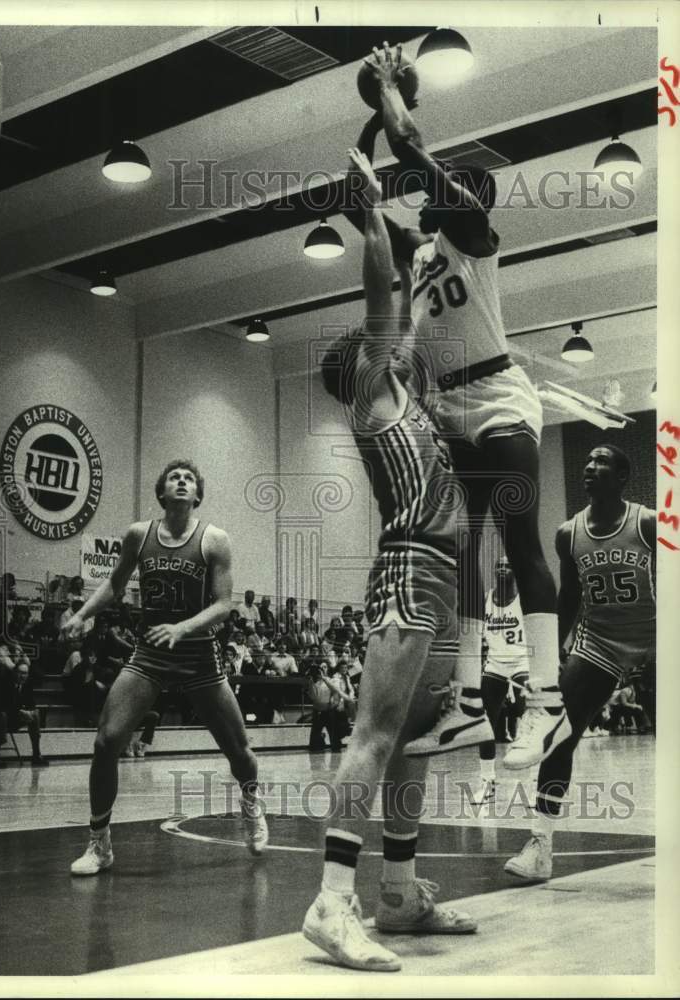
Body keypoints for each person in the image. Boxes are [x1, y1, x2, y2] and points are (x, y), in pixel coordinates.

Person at [347, 43, 570, 769]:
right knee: (466, 554)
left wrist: (389, 95)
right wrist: (368, 125)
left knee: (520, 540)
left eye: (449, 184)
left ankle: (546, 703)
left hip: (501, 397)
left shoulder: (472, 234)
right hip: (451, 406)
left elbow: (414, 157)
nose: (438, 189)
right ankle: (469, 707)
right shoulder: (421, 251)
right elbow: (363, 204)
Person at [302, 147, 475, 973]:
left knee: (410, 739)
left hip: (442, 577)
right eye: (374, 344)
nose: (392, 345)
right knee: (374, 733)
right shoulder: (371, 391)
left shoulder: (398, 390)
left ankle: (397, 895)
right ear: (358, 366)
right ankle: (331, 903)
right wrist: (370, 213)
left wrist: (402, 254)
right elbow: (380, 307)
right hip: (409, 565)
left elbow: (396, 312)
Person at [64, 460, 267, 874]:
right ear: (161, 492)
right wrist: (84, 613)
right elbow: (115, 585)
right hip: (150, 655)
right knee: (107, 742)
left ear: (197, 496)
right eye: (173, 477)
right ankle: (99, 843)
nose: (181, 481)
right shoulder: (139, 535)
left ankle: (250, 801)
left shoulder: (215, 540)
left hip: (198, 657)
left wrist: (182, 628)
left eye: (188, 479)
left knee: (240, 753)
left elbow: (223, 604)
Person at [505, 444, 656, 882]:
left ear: (623, 476)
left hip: (657, 632)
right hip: (602, 641)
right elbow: (569, 596)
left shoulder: (647, 523)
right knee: (558, 735)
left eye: (603, 461)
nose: (590, 466)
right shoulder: (568, 533)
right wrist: (548, 660)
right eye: (587, 459)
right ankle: (540, 845)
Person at [468, 555, 531, 805]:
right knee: (485, 722)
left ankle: (532, 783)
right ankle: (487, 782)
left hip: (521, 661)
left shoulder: (524, 598)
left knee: (530, 719)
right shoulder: (486, 599)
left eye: (508, 565)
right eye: (499, 566)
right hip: (495, 663)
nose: (503, 569)